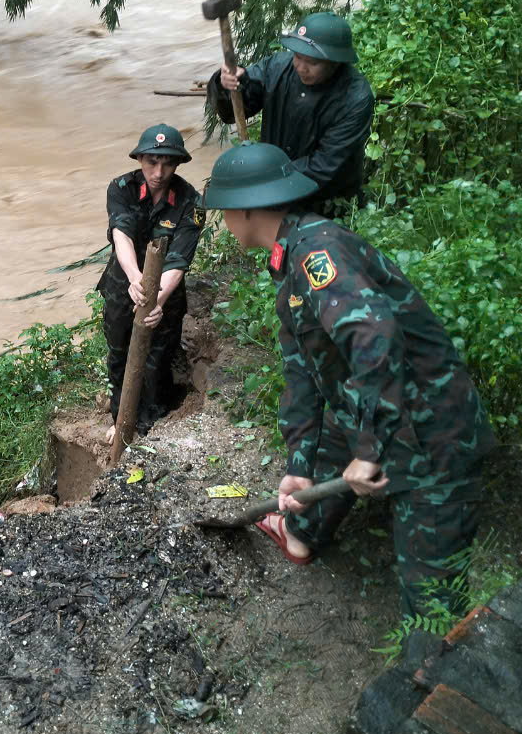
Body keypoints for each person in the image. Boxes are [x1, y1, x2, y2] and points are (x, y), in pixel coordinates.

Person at [202, 142, 494, 617]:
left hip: (431, 431)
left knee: (433, 604)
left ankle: (430, 676)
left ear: (246, 208)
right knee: (332, 437)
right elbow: (302, 370)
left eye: (223, 210)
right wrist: (299, 462)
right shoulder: (290, 257)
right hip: (378, 408)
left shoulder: (318, 254)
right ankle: (300, 532)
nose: (222, 220)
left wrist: (371, 450)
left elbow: (375, 337)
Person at [206, 12, 374, 216]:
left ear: (335, 61)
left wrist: (264, 180)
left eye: (312, 62)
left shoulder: (355, 98)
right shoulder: (277, 67)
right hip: (275, 192)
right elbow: (236, 110)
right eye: (297, 56)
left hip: (328, 202)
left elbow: (325, 165)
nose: (301, 68)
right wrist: (231, 84)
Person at [99, 125, 202, 445]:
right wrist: (133, 279)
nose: (158, 172)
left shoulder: (191, 201)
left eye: (167, 164)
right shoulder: (121, 188)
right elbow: (122, 234)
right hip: (122, 285)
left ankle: (149, 421)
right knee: (119, 350)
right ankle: (121, 416)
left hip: (166, 293)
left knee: (158, 355)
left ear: (178, 164)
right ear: (141, 158)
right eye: (152, 162)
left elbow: (179, 259)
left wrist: (156, 300)